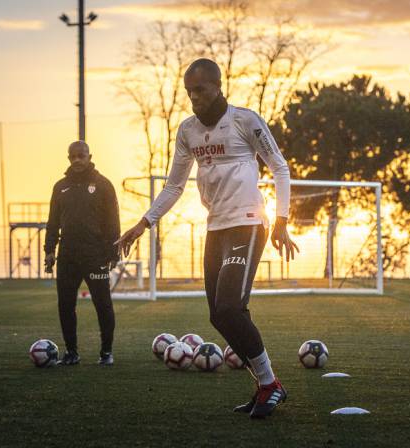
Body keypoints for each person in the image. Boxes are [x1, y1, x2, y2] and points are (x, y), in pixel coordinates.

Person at [117, 58, 299, 419]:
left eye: (200, 89)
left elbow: (279, 166)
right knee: (219, 315)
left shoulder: (245, 121)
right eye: (189, 91)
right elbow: (174, 186)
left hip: (248, 224)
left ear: (218, 86)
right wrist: (143, 223)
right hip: (215, 228)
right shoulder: (186, 131)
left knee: (230, 306)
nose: (194, 97)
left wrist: (281, 219)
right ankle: (265, 385)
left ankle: (270, 384)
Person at [44, 140, 120, 366]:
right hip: (67, 257)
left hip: (95, 256)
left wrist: (113, 253)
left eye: (81, 156)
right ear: (68, 158)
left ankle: (106, 352)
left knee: (103, 304)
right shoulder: (60, 187)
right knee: (65, 305)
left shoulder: (104, 185)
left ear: (89, 156)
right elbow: (52, 222)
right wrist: (49, 250)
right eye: (73, 156)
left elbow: (113, 221)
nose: (77, 160)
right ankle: (71, 353)